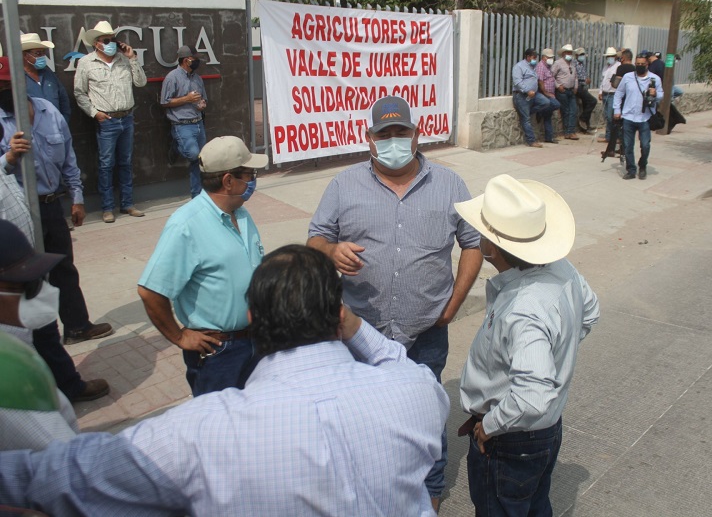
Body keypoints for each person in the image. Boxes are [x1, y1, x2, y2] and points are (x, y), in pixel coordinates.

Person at [0, 244, 450, 516]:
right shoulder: (415, 392)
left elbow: (57, 477)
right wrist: (354, 327)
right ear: (338, 315)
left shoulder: (198, 432)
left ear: (252, 317)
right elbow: (396, 362)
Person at [308, 95, 482, 511]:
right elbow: (315, 238)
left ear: (415, 134)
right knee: (362, 419)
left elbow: (472, 245)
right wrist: (330, 252)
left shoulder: (450, 184)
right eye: (383, 134)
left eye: (400, 132)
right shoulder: (343, 185)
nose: (392, 141)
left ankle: (428, 498)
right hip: (360, 331)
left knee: (426, 418)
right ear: (368, 139)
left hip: (425, 330)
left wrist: (453, 305)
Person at [455, 174, 600, 517]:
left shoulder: (523, 309)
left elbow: (532, 396)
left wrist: (489, 426)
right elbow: (590, 312)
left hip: (511, 440)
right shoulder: (560, 268)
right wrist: (556, 352)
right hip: (543, 431)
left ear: (492, 247)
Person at [0, 57, 114, 394]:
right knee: (33, 288)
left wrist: (77, 197)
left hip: (51, 206)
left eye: (10, 86)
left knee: (64, 269)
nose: (6, 92)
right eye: (1, 88)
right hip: (16, 215)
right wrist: (7, 158)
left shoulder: (48, 111)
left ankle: (77, 325)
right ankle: (55, 378)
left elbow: (68, 158)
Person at [138, 136, 267, 396]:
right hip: (219, 353)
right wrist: (179, 336)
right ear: (229, 181)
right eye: (249, 174)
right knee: (220, 429)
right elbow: (150, 291)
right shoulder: (185, 225)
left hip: (254, 342)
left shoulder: (241, 214)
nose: (254, 180)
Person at [0, 219, 82, 450]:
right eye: (28, 286)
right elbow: (66, 466)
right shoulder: (9, 371)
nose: (44, 292)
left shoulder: (16, 347)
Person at [74, 20, 147, 224]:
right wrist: (94, 113)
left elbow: (141, 82)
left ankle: (127, 203)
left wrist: (132, 58)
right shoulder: (87, 63)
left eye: (113, 40)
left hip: (127, 117)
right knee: (106, 165)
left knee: (125, 163)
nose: (111, 44)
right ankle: (107, 207)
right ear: (96, 43)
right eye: (106, 40)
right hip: (106, 120)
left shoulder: (124, 60)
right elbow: (79, 93)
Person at [161, 45, 208, 198]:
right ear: (187, 60)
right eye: (195, 59)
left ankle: (197, 194)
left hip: (198, 122)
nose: (197, 61)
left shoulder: (197, 78)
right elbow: (165, 102)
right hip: (182, 124)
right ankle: (176, 146)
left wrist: (202, 104)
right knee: (193, 154)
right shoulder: (172, 77)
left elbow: (204, 98)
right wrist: (186, 99)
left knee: (200, 160)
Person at [614, 53, 664, 180]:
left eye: (643, 64)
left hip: (645, 117)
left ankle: (643, 166)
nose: (640, 66)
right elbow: (619, 93)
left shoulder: (654, 79)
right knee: (628, 145)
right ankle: (631, 169)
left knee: (645, 145)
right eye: (638, 64)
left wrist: (655, 93)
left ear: (648, 64)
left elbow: (661, 96)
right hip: (628, 116)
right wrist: (617, 110)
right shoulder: (628, 77)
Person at [511, 48, 559, 148]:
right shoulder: (519, 66)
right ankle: (531, 141)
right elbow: (517, 82)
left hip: (534, 95)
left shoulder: (533, 67)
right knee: (526, 119)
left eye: (536, 58)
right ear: (528, 57)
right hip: (522, 95)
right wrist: (527, 90)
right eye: (533, 57)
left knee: (546, 102)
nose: (535, 60)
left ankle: (528, 112)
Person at [20, 32, 70, 120]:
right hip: (34, 130)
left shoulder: (48, 73)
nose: (43, 56)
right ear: (25, 55)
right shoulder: (17, 78)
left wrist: (64, 119)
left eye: (43, 53)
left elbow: (63, 98)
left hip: (57, 127)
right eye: (38, 53)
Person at [551, 44, 579, 140]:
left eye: (570, 53)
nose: (569, 54)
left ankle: (571, 131)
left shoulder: (573, 64)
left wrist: (575, 86)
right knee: (566, 111)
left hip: (571, 90)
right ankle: (567, 132)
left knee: (573, 110)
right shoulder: (558, 63)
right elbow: (551, 76)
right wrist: (558, 86)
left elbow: (575, 77)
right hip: (562, 90)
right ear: (563, 53)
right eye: (568, 52)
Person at [534, 49, 560, 144]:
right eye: (548, 57)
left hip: (550, 94)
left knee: (548, 117)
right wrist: (545, 92)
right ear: (543, 57)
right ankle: (540, 111)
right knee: (556, 105)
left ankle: (549, 137)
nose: (550, 59)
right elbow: (540, 81)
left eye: (551, 57)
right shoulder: (541, 66)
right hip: (544, 94)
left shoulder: (548, 66)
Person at [598, 46, 620, 143]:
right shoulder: (605, 67)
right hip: (605, 93)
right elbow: (602, 81)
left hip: (613, 94)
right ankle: (608, 136)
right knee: (607, 116)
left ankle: (614, 136)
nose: (609, 58)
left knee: (611, 116)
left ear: (615, 56)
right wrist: (600, 91)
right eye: (608, 56)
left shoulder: (618, 66)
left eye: (611, 56)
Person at [574, 47, 598, 133]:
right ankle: (582, 118)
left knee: (586, 105)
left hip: (584, 86)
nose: (582, 56)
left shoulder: (582, 64)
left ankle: (586, 126)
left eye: (583, 54)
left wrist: (587, 79)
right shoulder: (574, 64)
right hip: (579, 87)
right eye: (580, 55)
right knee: (593, 101)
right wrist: (584, 80)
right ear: (576, 55)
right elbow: (575, 76)